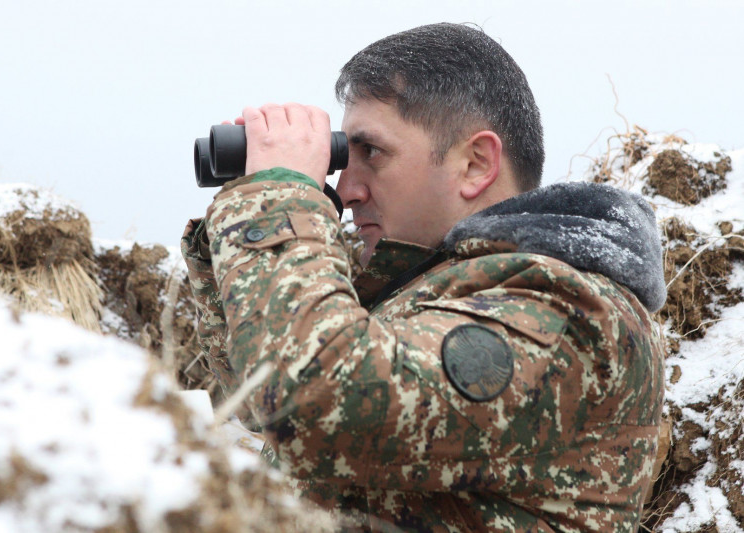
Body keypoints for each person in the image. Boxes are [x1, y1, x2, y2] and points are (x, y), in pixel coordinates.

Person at [181, 23, 666, 532]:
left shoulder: (567, 308)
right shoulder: (426, 285)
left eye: (371, 153)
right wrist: (242, 221)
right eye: (344, 156)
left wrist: (280, 199)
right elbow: (261, 395)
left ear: (475, 164)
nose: (346, 190)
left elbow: (317, 406)